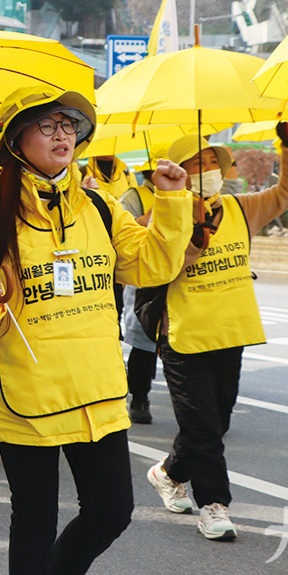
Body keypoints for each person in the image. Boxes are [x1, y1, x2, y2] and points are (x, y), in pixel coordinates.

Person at [0, 87, 193, 575]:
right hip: (27, 394)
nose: (63, 135)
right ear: (17, 140)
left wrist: (171, 201)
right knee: (34, 521)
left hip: (96, 390)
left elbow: (154, 264)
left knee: (112, 512)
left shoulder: (100, 208)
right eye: (48, 126)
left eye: (69, 125)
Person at [144, 127, 288, 542]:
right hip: (184, 336)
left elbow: (287, 191)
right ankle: (214, 504)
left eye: (214, 161)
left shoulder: (239, 208)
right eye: (199, 163)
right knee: (203, 428)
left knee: (214, 421)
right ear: (180, 171)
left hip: (231, 331)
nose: (210, 169)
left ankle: (168, 473)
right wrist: (191, 244)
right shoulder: (160, 216)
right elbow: (151, 269)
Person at [118, 161, 163, 424]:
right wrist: (146, 219)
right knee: (144, 345)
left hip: (177, 278)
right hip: (144, 278)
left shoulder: (188, 193)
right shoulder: (134, 196)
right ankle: (139, 397)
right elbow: (120, 232)